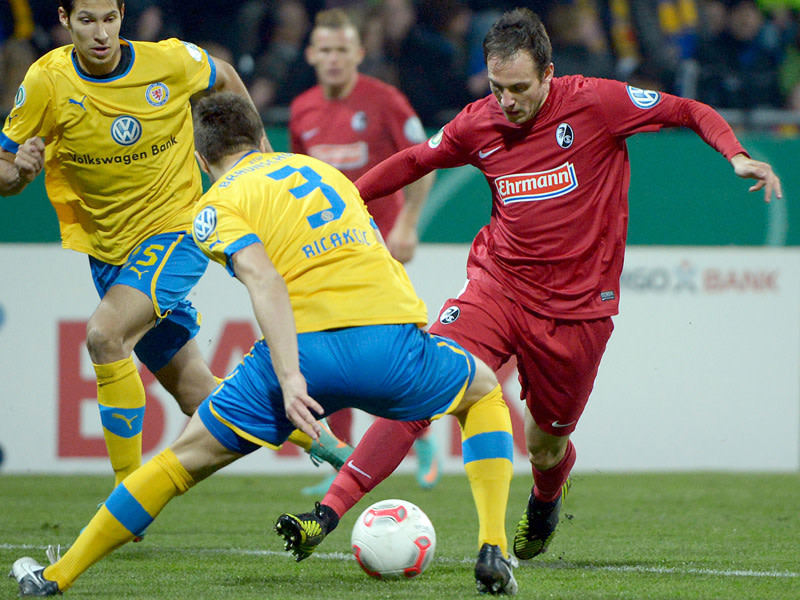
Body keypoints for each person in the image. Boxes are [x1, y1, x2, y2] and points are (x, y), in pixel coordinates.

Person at [308, 6, 783, 564]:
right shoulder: (479, 122)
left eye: (519, 88)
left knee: (545, 443)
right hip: (498, 286)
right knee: (422, 385)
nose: (506, 101)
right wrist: (345, 200)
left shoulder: (597, 103)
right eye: (496, 88)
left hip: (577, 312)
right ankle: (326, 512)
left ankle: (546, 497)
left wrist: (736, 155)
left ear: (549, 74)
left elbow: (687, 109)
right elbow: (415, 160)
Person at [9, 91, 518, 597]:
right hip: (391, 346)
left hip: (304, 359)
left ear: (201, 159)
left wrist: (291, 376)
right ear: (260, 138)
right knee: (482, 393)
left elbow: (264, 278)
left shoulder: (215, 206)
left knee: (177, 463)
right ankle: (493, 548)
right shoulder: (324, 172)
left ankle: (55, 577)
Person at [0, 0, 345, 498]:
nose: (101, 33)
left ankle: (125, 499)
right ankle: (334, 447)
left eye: (109, 19)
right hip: (110, 253)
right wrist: (21, 173)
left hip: (177, 229)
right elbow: (6, 170)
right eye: (87, 21)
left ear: (122, 15)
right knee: (197, 394)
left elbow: (224, 76)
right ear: (63, 19)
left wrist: (261, 159)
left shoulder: (168, 61)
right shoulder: (45, 82)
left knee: (104, 335)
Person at [288, 8, 440, 494]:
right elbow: (302, 181)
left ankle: (421, 438)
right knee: (334, 352)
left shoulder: (385, 100)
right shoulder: (302, 110)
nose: (333, 59)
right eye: (325, 50)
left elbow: (426, 160)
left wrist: (409, 224)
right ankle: (345, 462)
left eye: (342, 49)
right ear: (311, 55)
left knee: (387, 349)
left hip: (379, 247)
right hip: (326, 250)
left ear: (359, 53)